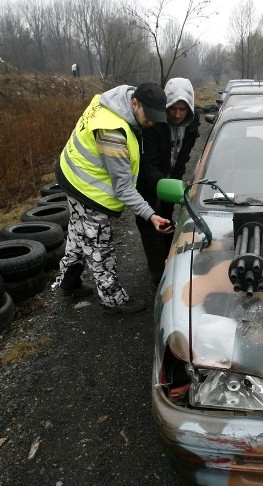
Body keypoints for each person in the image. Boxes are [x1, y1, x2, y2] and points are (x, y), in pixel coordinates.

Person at [53, 82, 174, 313]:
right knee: (100, 245)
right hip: (87, 189)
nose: (150, 122)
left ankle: (69, 281)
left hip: (70, 172)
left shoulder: (115, 99)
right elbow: (123, 188)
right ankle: (113, 300)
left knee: (79, 231)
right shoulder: (113, 133)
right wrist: (151, 215)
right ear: (135, 103)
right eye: (148, 116)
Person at [136, 77, 200, 285]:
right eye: (173, 108)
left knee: (167, 227)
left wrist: (175, 183)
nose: (178, 114)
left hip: (170, 183)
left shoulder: (191, 123)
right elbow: (147, 165)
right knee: (152, 231)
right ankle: (159, 279)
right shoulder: (154, 124)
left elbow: (183, 158)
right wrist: (163, 186)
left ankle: (168, 265)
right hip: (150, 188)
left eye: (183, 109)